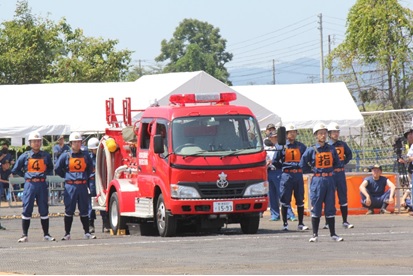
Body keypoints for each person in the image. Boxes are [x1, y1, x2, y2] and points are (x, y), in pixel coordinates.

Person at [300, 122, 343, 242]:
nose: (323, 135)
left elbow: (337, 163)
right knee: (317, 206)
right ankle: (315, 234)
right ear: (316, 135)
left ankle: (333, 234)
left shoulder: (331, 149)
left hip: (329, 179)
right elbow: (302, 164)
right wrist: (313, 171)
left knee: (330, 206)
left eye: (324, 133)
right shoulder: (311, 150)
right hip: (318, 180)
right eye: (320, 133)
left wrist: (330, 172)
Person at [10, 131, 55, 242]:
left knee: (44, 208)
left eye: (38, 141)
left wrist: (44, 174)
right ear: (30, 143)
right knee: (27, 208)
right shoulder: (25, 156)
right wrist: (26, 175)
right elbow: (15, 169)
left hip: (41, 184)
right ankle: (24, 235)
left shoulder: (45, 155)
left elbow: (50, 167)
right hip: (30, 184)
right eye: (34, 141)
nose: (36, 143)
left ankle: (46, 234)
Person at [55, 132, 96, 240]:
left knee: (84, 209)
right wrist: (67, 176)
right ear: (71, 143)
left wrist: (84, 177)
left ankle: (87, 232)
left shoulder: (85, 155)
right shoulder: (65, 155)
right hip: (70, 186)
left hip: (82, 185)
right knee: (69, 210)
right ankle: (67, 233)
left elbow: (90, 168)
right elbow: (58, 168)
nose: (77, 144)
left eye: (79, 142)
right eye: (75, 142)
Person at [273, 124, 308, 231]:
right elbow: (275, 161)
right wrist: (284, 167)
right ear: (286, 134)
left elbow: (306, 159)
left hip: (297, 174)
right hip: (286, 175)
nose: (292, 134)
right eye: (290, 132)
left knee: (300, 199)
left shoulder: (301, 146)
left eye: (294, 132)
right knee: (285, 199)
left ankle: (301, 223)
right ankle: (285, 224)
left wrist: (301, 167)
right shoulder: (281, 146)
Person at [322, 122, 354, 230]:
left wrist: (343, 162)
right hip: (331, 173)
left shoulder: (342, 144)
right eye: (334, 132)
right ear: (329, 133)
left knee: (343, 197)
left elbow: (349, 154)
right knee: (329, 197)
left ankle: (345, 221)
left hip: (340, 173)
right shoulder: (327, 146)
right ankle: (327, 222)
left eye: (337, 132)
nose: (336, 134)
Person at [87, 137, 110, 233]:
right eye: (94, 149)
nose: (96, 151)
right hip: (92, 182)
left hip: (101, 181)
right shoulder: (88, 158)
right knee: (91, 204)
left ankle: (105, 223)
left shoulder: (103, 157)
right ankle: (90, 224)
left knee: (103, 201)